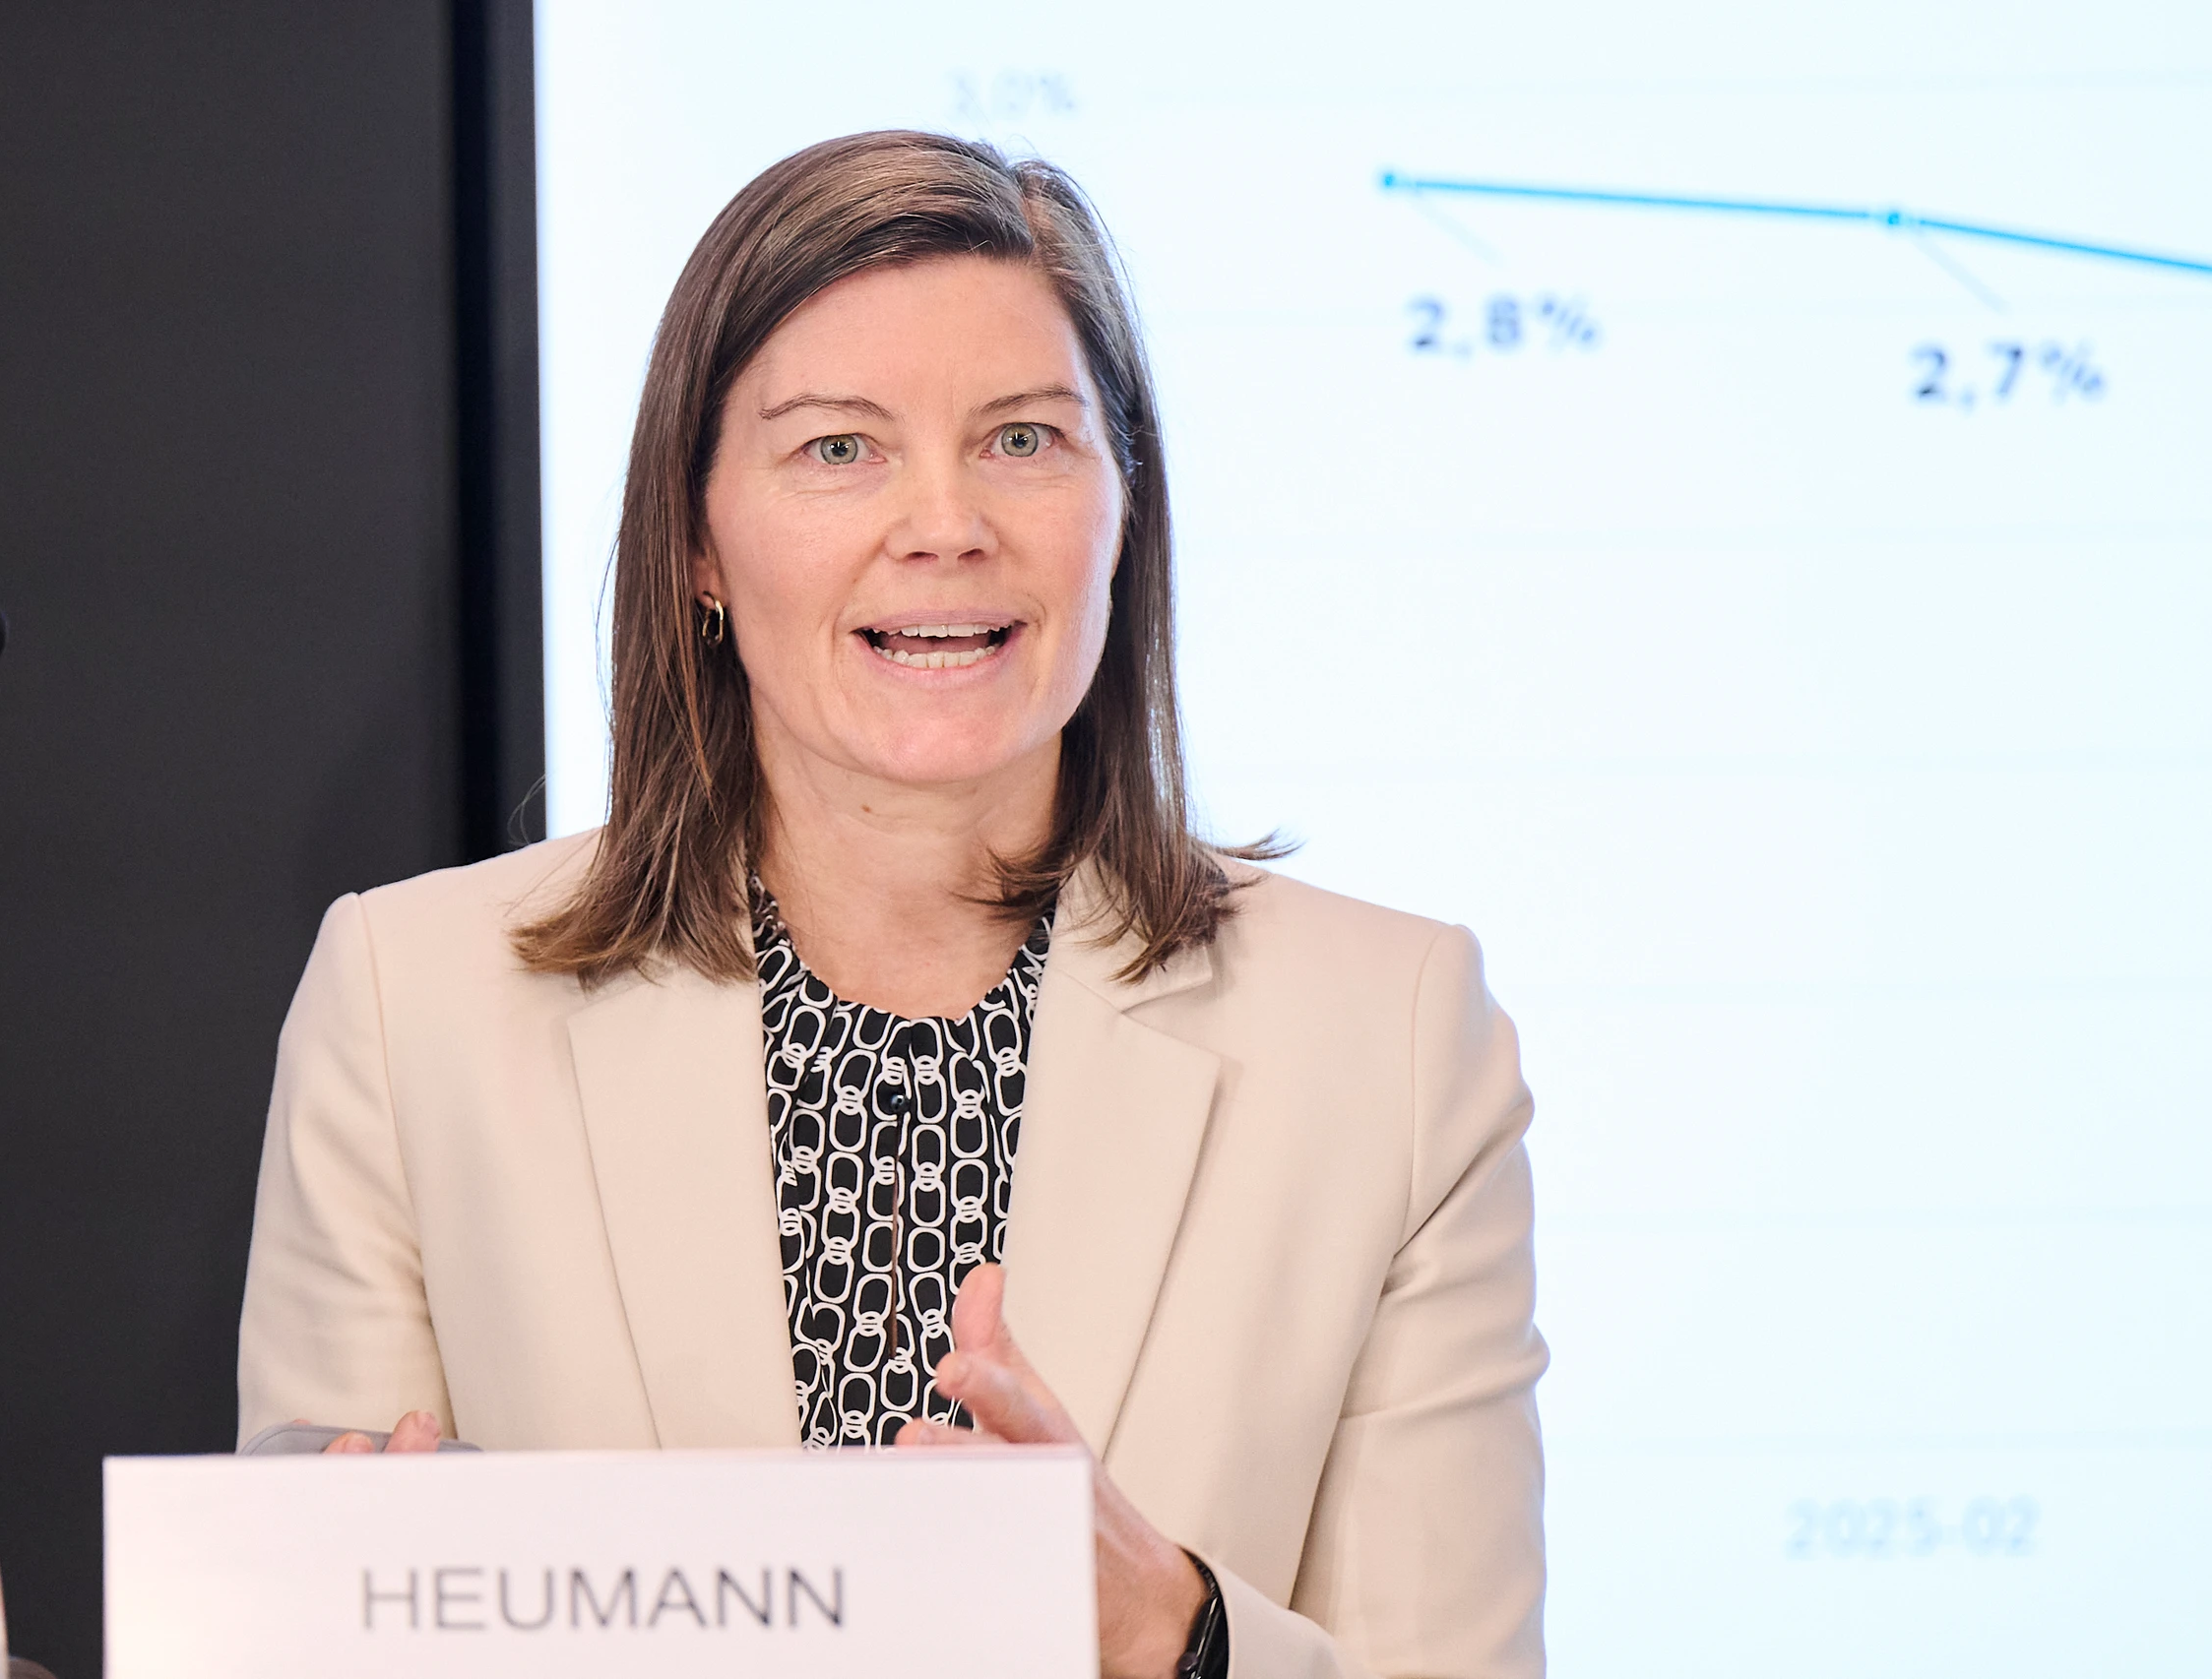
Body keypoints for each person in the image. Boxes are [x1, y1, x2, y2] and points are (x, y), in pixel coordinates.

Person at [238, 130, 1546, 1679]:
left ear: (1125, 509)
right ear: (696, 541)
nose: (945, 522)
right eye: (839, 449)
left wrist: (1170, 1629)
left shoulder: (1393, 1040)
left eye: (1023, 440)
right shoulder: (410, 1005)